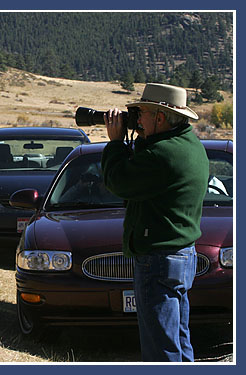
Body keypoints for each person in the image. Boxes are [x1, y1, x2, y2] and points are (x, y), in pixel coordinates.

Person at [101, 83, 209, 362]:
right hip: (180, 255)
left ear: (160, 117)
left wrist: (115, 143)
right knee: (177, 341)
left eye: (142, 114)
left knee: (160, 347)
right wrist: (138, 137)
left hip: (158, 258)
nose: (137, 120)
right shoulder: (188, 145)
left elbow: (119, 181)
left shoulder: (164, 154)